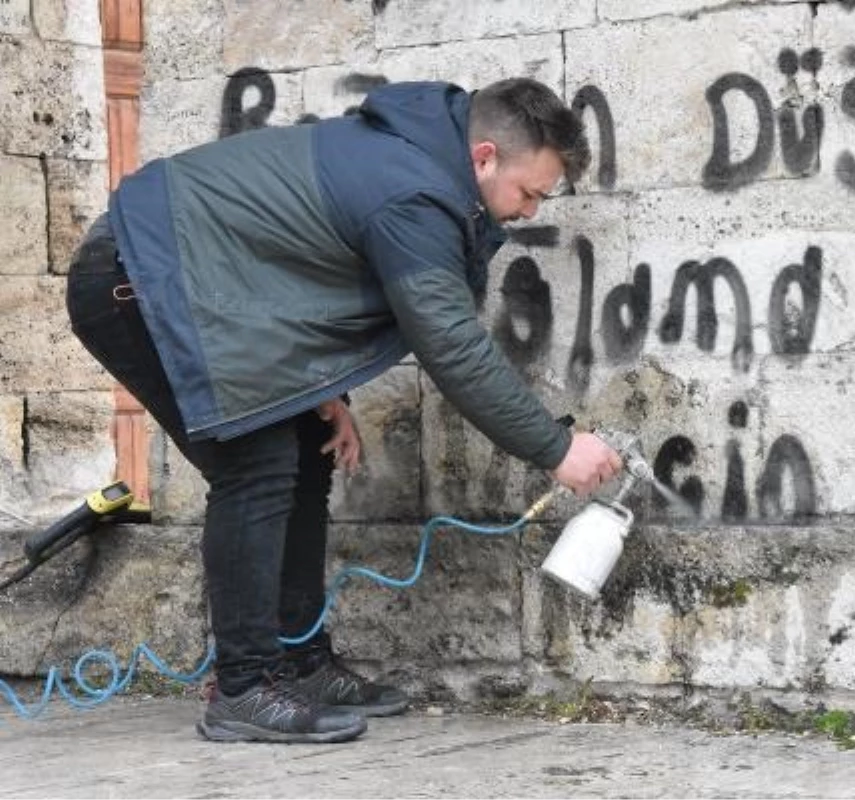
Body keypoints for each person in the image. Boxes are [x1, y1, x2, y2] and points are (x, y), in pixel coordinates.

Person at [65, 78, 622, 744]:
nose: (530, 211)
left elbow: (283, 251)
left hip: (202, 284)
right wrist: (556, 449)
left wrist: (319, 388)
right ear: (483, 158)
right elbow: (449, 344)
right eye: (529, 193)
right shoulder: (415, 191)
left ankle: (297, 659)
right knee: (256, 463)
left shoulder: (413, 163)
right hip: (136, 278)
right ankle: (243, 689)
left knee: (303, 446)